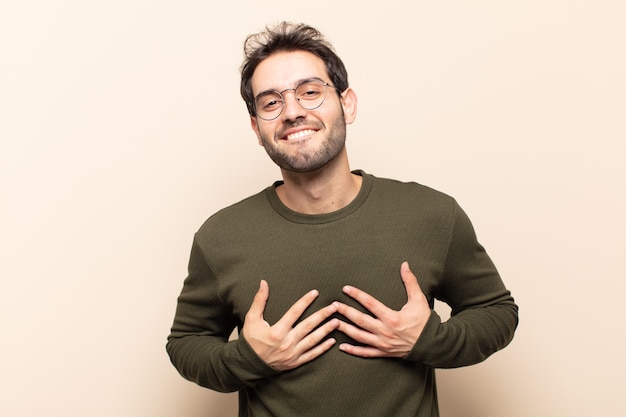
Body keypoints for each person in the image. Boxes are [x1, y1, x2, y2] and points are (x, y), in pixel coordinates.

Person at [166, 22, 518, 417]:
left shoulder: (430, 214)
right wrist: (249, 359)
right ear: (256, 127)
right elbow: (186, 342)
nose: (293, 112)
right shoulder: (221, 236)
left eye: (310, 92)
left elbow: (498, 312)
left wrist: (429, 340)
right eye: (270, 103)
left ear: (347, 103)